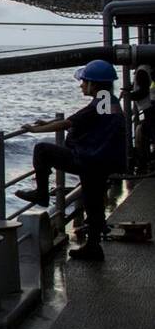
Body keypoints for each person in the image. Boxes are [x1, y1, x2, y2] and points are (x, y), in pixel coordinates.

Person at [15, 59, 127, 261]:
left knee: (42, 150)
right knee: (93, 204)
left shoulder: (101, 103)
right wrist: (48, 122)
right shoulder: (109, 102)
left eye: (84, 81)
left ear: (94, 83)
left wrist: (35, 129)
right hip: (101, 161)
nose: (81, 85)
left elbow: (69, 122)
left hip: (90, 160)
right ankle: (93, 247)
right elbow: (82, 119)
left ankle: (41, 194)